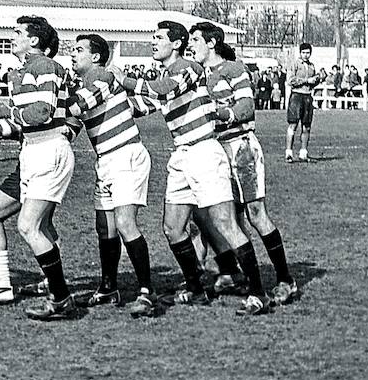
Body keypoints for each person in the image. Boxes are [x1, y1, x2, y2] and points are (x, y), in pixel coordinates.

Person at [116, 21, 271, 316]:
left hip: (203, 151)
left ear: (176, 44)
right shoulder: (166, 75)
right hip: (183, 155)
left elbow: (161, 93)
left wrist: (122, 78)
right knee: (173, 228)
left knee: (225, 223)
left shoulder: (188, 67)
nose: (153, 41)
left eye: (159, 37)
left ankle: (258, 293)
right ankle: (196, 288)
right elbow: (144, 104)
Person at [0, 16, 83, 321]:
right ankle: (13, 286)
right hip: (34, 150)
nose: (13, 36)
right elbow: (21, 124)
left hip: (48, 150)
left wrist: (1, 109)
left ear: (34, 40)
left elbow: (42, 112)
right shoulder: (20, 72)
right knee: (10, 220)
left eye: (19, 33)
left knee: (28, 226)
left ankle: (60, 298)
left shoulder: (43, 66)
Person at [190, 23, 301, 306]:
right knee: (219, 217)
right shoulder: (201, 75)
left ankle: (286, 280)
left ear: (211, 43)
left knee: (255, 214)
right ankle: (233, 273)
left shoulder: (233, 69)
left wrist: (218, 113)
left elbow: (247, 108)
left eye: (195, 40)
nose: (192, 46)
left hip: (241, 149)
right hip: (215, 152)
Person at [63, 34, 161, 316]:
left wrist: (48, 103)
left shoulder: (104, 78)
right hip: (106, 160)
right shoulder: (83, 88)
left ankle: (146, 291)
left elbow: (76, 106)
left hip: (126, 154)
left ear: (95, 57)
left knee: (125, 223)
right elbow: (69, 128)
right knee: (105, 227)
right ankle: (109, 287)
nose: (73, 53)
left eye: (79, 49)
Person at [285, 43, 321, 162]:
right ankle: (289, 153)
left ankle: (303, 153)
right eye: (304, 52)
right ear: (300, 53)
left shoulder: (312, 66)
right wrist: (307, 80)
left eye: (308, 53)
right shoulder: (294, 64)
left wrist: (318, 79)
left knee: (306, 126)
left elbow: (312, 83)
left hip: (307, 96)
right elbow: (290, 80)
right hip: (296, 95)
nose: (306, 55)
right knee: (293, 124)